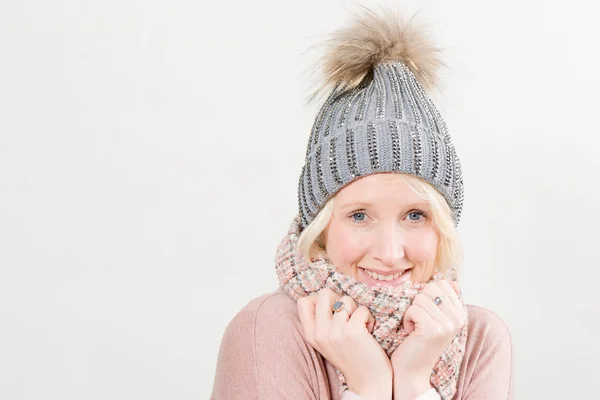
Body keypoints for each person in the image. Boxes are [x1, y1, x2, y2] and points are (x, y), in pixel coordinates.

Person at [211, 7, 512, 400]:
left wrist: (414, 383)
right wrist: (369, 387)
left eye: (416, 215)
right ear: (320, 228)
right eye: (359, 215)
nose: (390, 252)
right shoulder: (267, 331)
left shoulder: (478, 341)